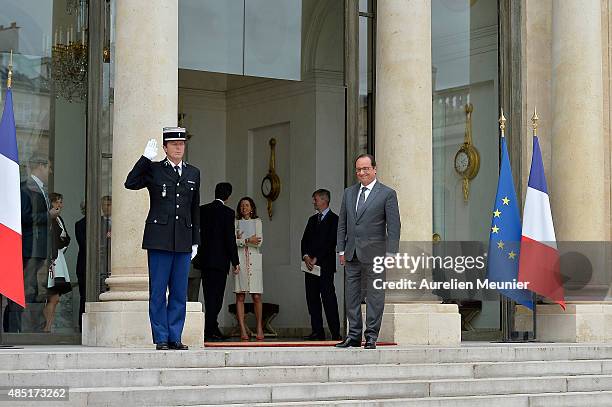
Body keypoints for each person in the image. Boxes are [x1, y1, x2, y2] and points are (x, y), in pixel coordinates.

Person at [124, 127, 200, 350]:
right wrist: (144, 159)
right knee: (158, 291)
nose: (179, 147)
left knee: (179, 292)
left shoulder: (193, 173)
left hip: (183, 239)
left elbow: (194, 208)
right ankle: (161, 337)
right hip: (159, 238)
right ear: (165, 147)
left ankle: (175, 336)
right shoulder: (155, 169)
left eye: (182, 144)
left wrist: (196, 239)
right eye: (174, 144)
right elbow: (130, 182)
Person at [336, 154, 400, 350]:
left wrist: (391, 253)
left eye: (365, 169)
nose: (362, 173)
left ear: (374, 169)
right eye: (358, 170)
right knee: (352, 295)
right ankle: (353, 336)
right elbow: (342, 224)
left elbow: (394, 225)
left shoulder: (387, 193)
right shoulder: (349, 193)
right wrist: (340, 249)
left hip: (376, 254)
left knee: (374, 296)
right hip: (351, 252)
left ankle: (371, 336)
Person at [4, 155, 57, 333]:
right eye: (48, 167)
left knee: (30, 290)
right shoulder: (26, 188)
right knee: (22, 291)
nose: (50, 171)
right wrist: (47, 216)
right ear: (39, 166)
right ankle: (13, 331)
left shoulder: (39, 188)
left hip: (37, 248)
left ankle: (22, 330)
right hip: (28, 247)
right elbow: (23, 217)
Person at [192, 182, 240, 341]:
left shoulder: (203, 210)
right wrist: (235, 261)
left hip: (205, 261)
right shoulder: (228, 212)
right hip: (220, 262)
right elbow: (229, 238)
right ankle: (209, 329)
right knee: (217, 297)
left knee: (208, 295)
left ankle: (213, 327)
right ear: (228, 196)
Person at [301, 189, 341, 341]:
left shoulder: (334, 220)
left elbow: (331, 242)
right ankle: (317, 331)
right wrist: (306, 257)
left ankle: (335, 332)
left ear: (324, 200)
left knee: (328, 299)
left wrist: (316, 258)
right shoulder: (312, 220)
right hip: (309, 267)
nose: (313, 202)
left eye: (315, 199)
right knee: (312, 300)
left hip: (325, 267)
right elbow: (304, 241)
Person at [233, 197, 264, 340]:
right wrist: (245, 240)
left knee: (256, 295)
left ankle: (259, 328)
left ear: (252, 208)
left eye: (246, 205)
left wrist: (244, 241)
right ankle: (243, 330)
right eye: (242, 206)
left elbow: (259, 242)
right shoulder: (236, 223)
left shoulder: (258, 222)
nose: (244, 208)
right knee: (240, 295)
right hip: (239, 260)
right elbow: (233, 242)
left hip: (254, 260)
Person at [43, 192, 72, 332]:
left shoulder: (59, 219)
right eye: (58, 202)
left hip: (59, 259)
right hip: (51, 261)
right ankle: (45, 327)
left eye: (61, 202)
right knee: (50, 295)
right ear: (51, 203)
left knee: (55, 297)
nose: (60, 205)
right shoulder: (49, 218)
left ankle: (48, 326)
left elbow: (67, 238)